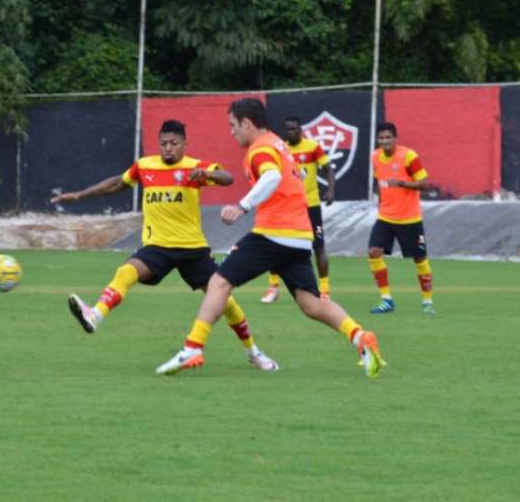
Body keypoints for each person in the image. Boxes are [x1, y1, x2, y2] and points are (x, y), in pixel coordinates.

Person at [155, 99, 385, 378]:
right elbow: (296, 173)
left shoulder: (259, 149)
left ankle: (193, 347)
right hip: (299, 236)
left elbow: (272, 177)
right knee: (310, 304)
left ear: (246, 123)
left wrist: (242, 205)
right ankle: (361, 337)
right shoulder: (279, 144)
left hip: (275, 233)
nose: (231, 132)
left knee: (218, 281)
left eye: (233, 126)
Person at [51, 119, 279, 371]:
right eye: (163, 144)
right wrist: (80, 195)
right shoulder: (145, 166)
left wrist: (208, 174)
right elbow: (117, 183)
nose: (168, 148)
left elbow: (228, 178)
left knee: (226, 302)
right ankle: (95, 315)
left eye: (173, 143)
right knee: (126, 271)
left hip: (193, 250)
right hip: (157, 247)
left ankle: (254, 352)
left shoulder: (195, 167)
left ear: (184, 144)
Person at [261, 115, 335, 303]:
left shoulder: (312, 147)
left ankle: (325, 289)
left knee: (319, 246)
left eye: (294, 129)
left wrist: (331, 189)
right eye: (287, 129)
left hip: (311, 204)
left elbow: (327, 168)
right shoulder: (282, 148)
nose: (290, 132)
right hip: (288, 205)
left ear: (300, 130)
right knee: (275, 243)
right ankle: (273, 286)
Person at [367, 122, 435, 314]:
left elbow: (424, 184)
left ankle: (427, 302)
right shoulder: (375, 157)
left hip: (410, 219)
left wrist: (403, 184)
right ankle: (386, 299)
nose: (385, 141)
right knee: (373, 251)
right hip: (386, 217)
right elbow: (380, 183)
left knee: (420, 259)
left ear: (396, 139)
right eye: (381, 138)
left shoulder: (408, 156)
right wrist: (381, 204)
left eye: (389, 137)